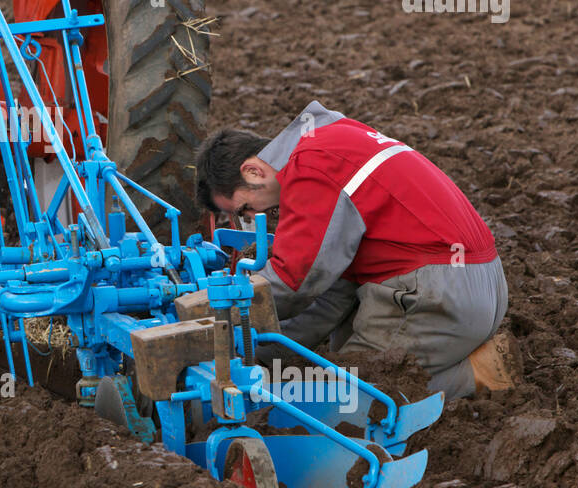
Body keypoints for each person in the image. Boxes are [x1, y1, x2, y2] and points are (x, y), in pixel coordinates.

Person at [195, 100, 519, 399]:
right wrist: (257, 349)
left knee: (348, 399)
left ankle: (476, 375)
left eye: (243, 209)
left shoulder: (311, 168)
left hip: (434, 296)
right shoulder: (335, 138)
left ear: (253, 171)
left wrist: (214, 320)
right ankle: (461, 357)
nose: (252, 218)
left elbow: (294, 280)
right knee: (337, 360)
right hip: (479, 284)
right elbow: (332, 294)